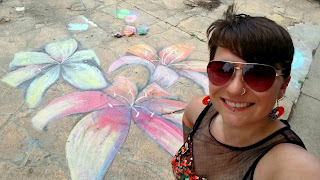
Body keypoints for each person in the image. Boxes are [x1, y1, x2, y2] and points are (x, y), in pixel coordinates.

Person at [172, 4, 320, 180]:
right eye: (223, 69)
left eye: (258, 74)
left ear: (282, 86)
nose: (235, 89)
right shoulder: (196, 111)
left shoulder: (293, 166)